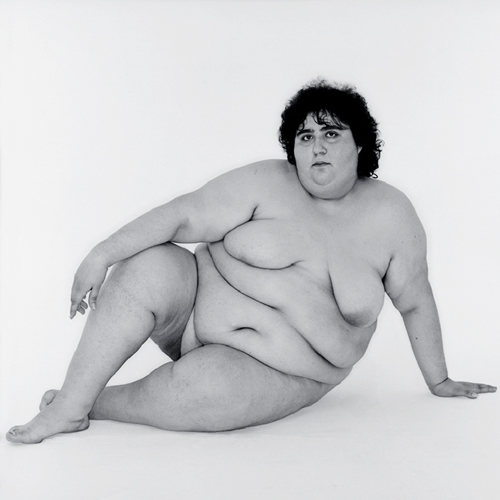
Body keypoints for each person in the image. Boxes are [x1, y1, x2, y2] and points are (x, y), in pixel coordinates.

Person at [7, 80, 496, 444]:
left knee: (211, 390)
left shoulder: (393, 216)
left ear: (360, 144)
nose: (317, 146)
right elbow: (183, 215)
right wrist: (101, 255)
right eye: (304, 136)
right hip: (190, 311)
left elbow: (416, 301)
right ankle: (70, 402)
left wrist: (439, 380)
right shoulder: (266, 180)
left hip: (282, 372)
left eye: (331, 133)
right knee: (145, 266)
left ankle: (96, 404)